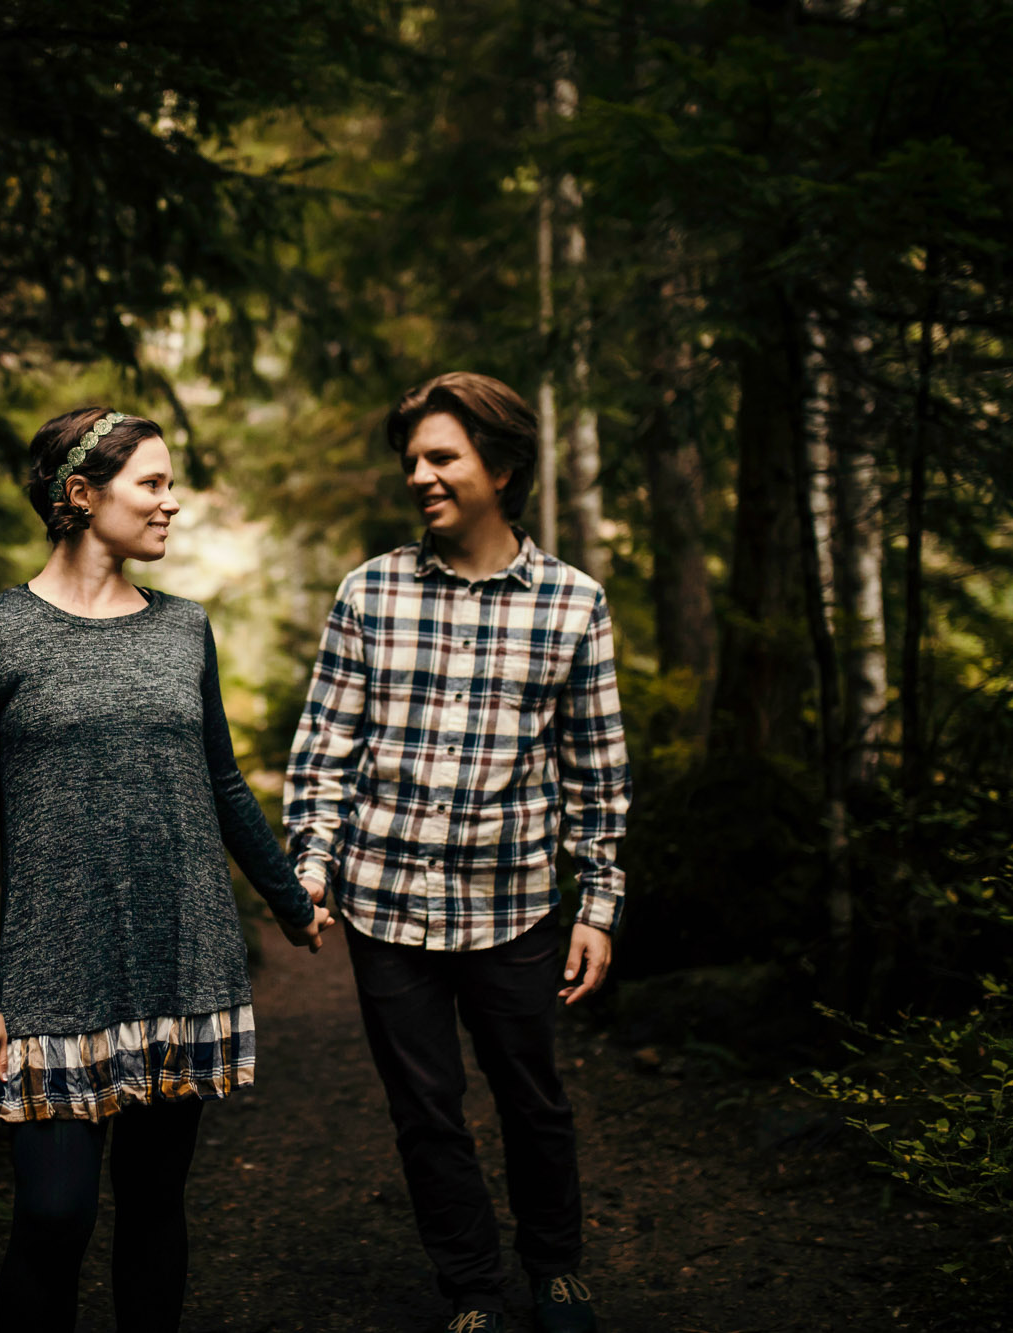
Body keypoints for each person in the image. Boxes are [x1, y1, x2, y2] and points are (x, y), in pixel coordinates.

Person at [0, 405, 335, 1332]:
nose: (172, 503)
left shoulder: (183, 628)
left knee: (155, 1209)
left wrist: (286, 899)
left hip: (178, 958)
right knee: (54, 1212)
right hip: (49, 970)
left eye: (170, 483)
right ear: (82, 495)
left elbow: (224, 782)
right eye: (152, 483)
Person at [285, 372, 631, 1333]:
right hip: (385, 906)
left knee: (534, 1100)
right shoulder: (371, 591)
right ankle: (471, 1287)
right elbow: (324, 753)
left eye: (443, 458)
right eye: (413, 461)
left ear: (504, 467)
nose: (421, 477)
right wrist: (309, 868)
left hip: (513, 903)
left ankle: (556, 1269)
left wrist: (598, 903)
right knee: (426, 1112)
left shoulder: (572, 604)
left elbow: (596, 772)